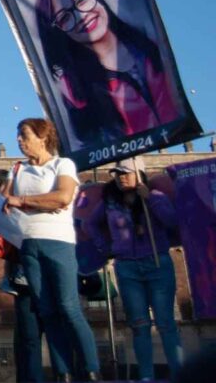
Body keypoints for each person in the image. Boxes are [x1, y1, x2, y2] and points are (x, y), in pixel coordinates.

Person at [4, 118, 100, 382]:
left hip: (58, 242)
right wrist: (40, 203)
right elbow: (4, 203)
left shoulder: (62, 164)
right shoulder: (17, 169)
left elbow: (63, 197)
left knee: (68, 306)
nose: (19, 140)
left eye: (24, 135)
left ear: (43, 137)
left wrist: (24, 201)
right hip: (28, 244)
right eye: (18, 135)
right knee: (46, 310)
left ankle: (91, 368)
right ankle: (63, 372)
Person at [35, 0, 179, 148]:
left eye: (81, 1)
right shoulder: (74, 90)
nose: (81, 16)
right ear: (58, 31)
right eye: (65, 17)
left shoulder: (152, 49)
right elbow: (88, 144)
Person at [87, 156, 182, 380]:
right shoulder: (110, 202)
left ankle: (180, 374)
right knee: (139, 324)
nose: (120, 178)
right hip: (127, 267)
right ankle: (146, 376)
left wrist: (150, 200)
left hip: (157, 263)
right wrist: (106, 248)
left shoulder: (155, 197)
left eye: (125, 173)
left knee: (166, 323)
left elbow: (171, 221)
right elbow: (90, 224)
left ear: (139, 173)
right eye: (118, 174)